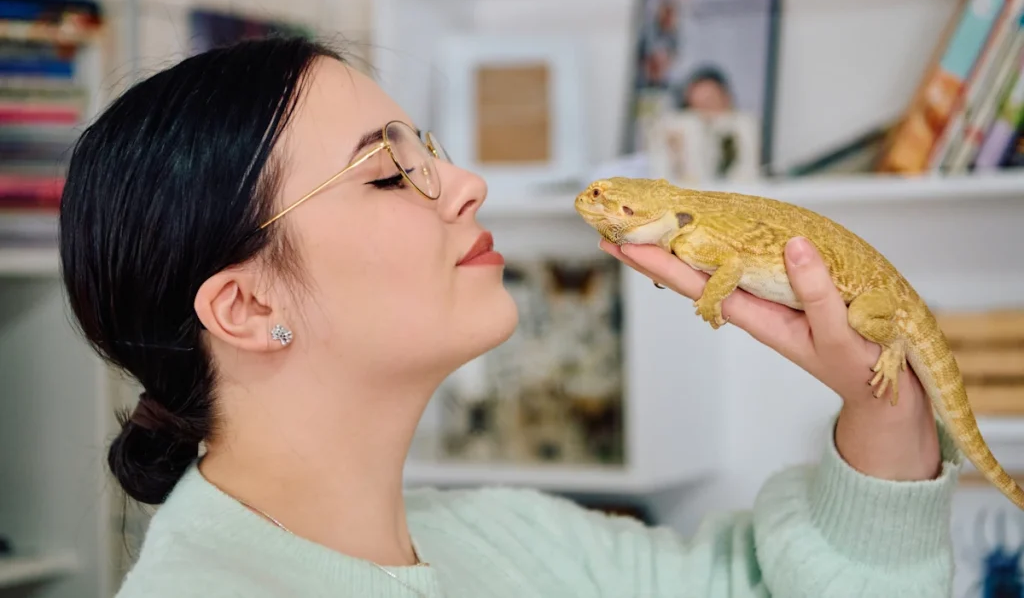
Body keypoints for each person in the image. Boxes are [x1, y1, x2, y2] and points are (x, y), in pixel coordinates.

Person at [58, 36, 961, 598]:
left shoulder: (514, 538)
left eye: (431, 151)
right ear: (248, 304)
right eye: (391, 173)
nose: (466, 183)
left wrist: (884, 405)